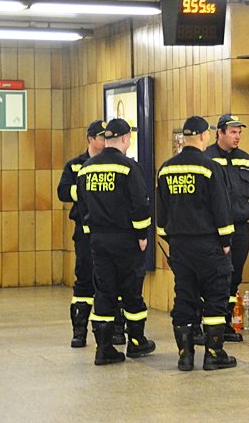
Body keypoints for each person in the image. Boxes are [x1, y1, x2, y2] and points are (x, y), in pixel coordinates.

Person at [156, 116, 237, 371]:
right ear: (204, 136)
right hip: (209, 245)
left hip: (179, 246)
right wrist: (225, 241)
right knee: (215, 297)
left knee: (185, 297)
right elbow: (221, 208)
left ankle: (185, 356)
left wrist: (173, 239)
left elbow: (161, 215)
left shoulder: (166, 168)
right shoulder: (210, 167)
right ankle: (214, 354)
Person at [76, 118, 156, 366]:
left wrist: (91, 233)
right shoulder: (128, 167)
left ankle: (104, 347)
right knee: (131, 291)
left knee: (104, 291)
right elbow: (140, 204)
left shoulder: (87, 168)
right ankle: (136, 341)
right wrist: (143, 236)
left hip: (98, 241)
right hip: (126, 240)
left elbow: (82, 205)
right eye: (129, 138)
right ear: (123, 139)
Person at [56, 119, 106, 348]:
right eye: (102, 137)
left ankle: (112, 331)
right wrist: (86, 189)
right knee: (84, 280)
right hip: (85, 232)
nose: (106, 141)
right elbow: (63, 192)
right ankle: (79, 331)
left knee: (109, 281)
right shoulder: (75, 165)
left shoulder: (113, 163)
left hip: (108, 232)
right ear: (91, 139)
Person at [205, 113, 249, 342]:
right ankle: (207, 324)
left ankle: (225, 324)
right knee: (215, 278)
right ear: (220, 133)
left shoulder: (245, 159)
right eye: (233, 132)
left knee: (234, 277)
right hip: (215, 231)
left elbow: (248, 191)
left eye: (239, 132)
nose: (237, 136)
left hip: (240, 228)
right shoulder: (207, 158)